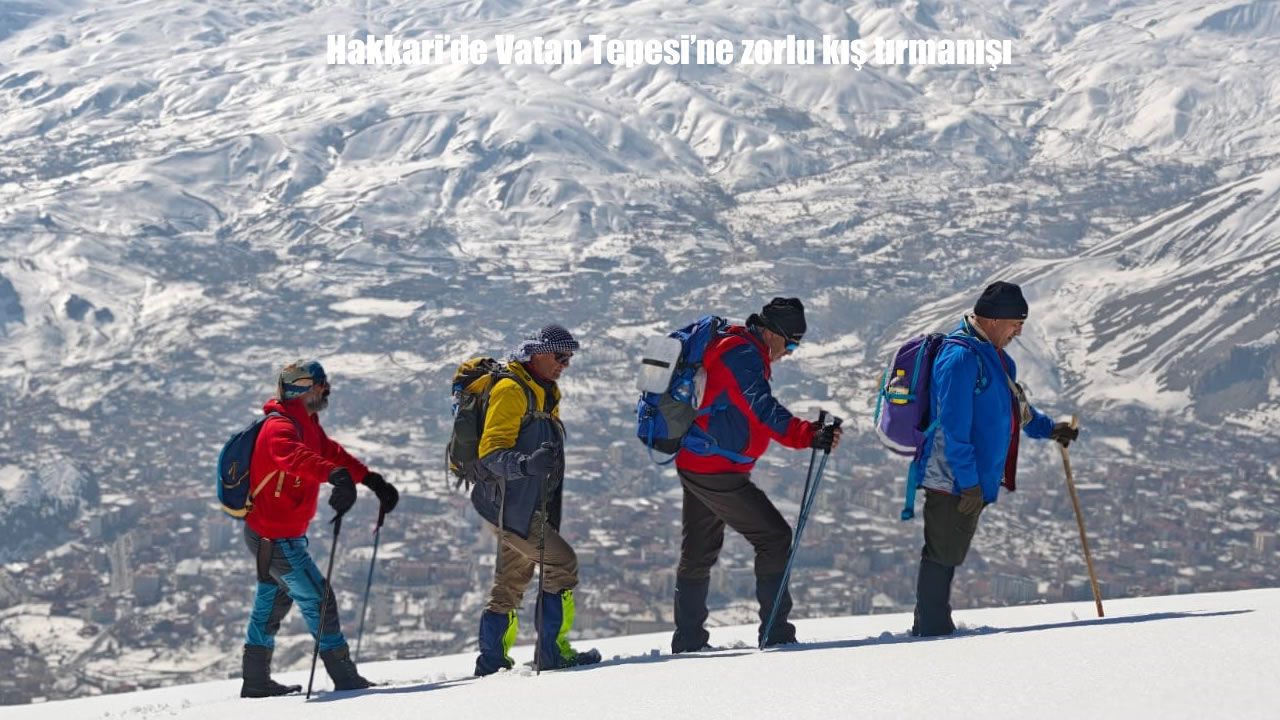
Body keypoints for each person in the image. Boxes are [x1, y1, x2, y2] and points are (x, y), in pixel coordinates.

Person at [671, 297, 842, 653]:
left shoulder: (738, 346)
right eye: (790, 344)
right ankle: (776, 633)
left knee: (699, 550)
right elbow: (762, 408)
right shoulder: (743, 355)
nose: (789, 353)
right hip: (714, 468)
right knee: (774, 537)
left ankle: (688, 640)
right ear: (772, 333)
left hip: (701, 459)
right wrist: (807, 434)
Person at [912, 281, 1079, 636]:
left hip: (971, 478)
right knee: (942, 553)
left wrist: (1051, 429)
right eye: (1016, 323)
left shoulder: (996, 358)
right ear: (992, 320)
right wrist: (968, 482)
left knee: (949, 549)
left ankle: (932, 625)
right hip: (952, 478)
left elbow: (1015, 410)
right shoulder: (960, 358)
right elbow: (954, 429)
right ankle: (931, 629)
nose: (1019, 331)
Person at [239, 360, 400, 697]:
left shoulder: (306, 422)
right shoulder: (279, 427)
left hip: (275, 534)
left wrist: (370, 480)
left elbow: (330, 453)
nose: (327, 389)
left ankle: (255, 681)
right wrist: (333, 475)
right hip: (276, 536)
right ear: (303, 388)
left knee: (272, 600)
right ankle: (344, 677)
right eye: (321, 383)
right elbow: (294, 457)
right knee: (319, 598)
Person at [470, 325, 601, 675]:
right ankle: (552, 653)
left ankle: (492, 663)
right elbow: (490, 453)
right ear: (538, 353)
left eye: (569, 358)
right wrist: (526, 465)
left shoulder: (544, 391)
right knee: (562, 563)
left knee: (510, 582)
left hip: (519, 505)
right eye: (560, 356)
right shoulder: (512, 390)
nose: (565, 364)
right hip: (512, 506)